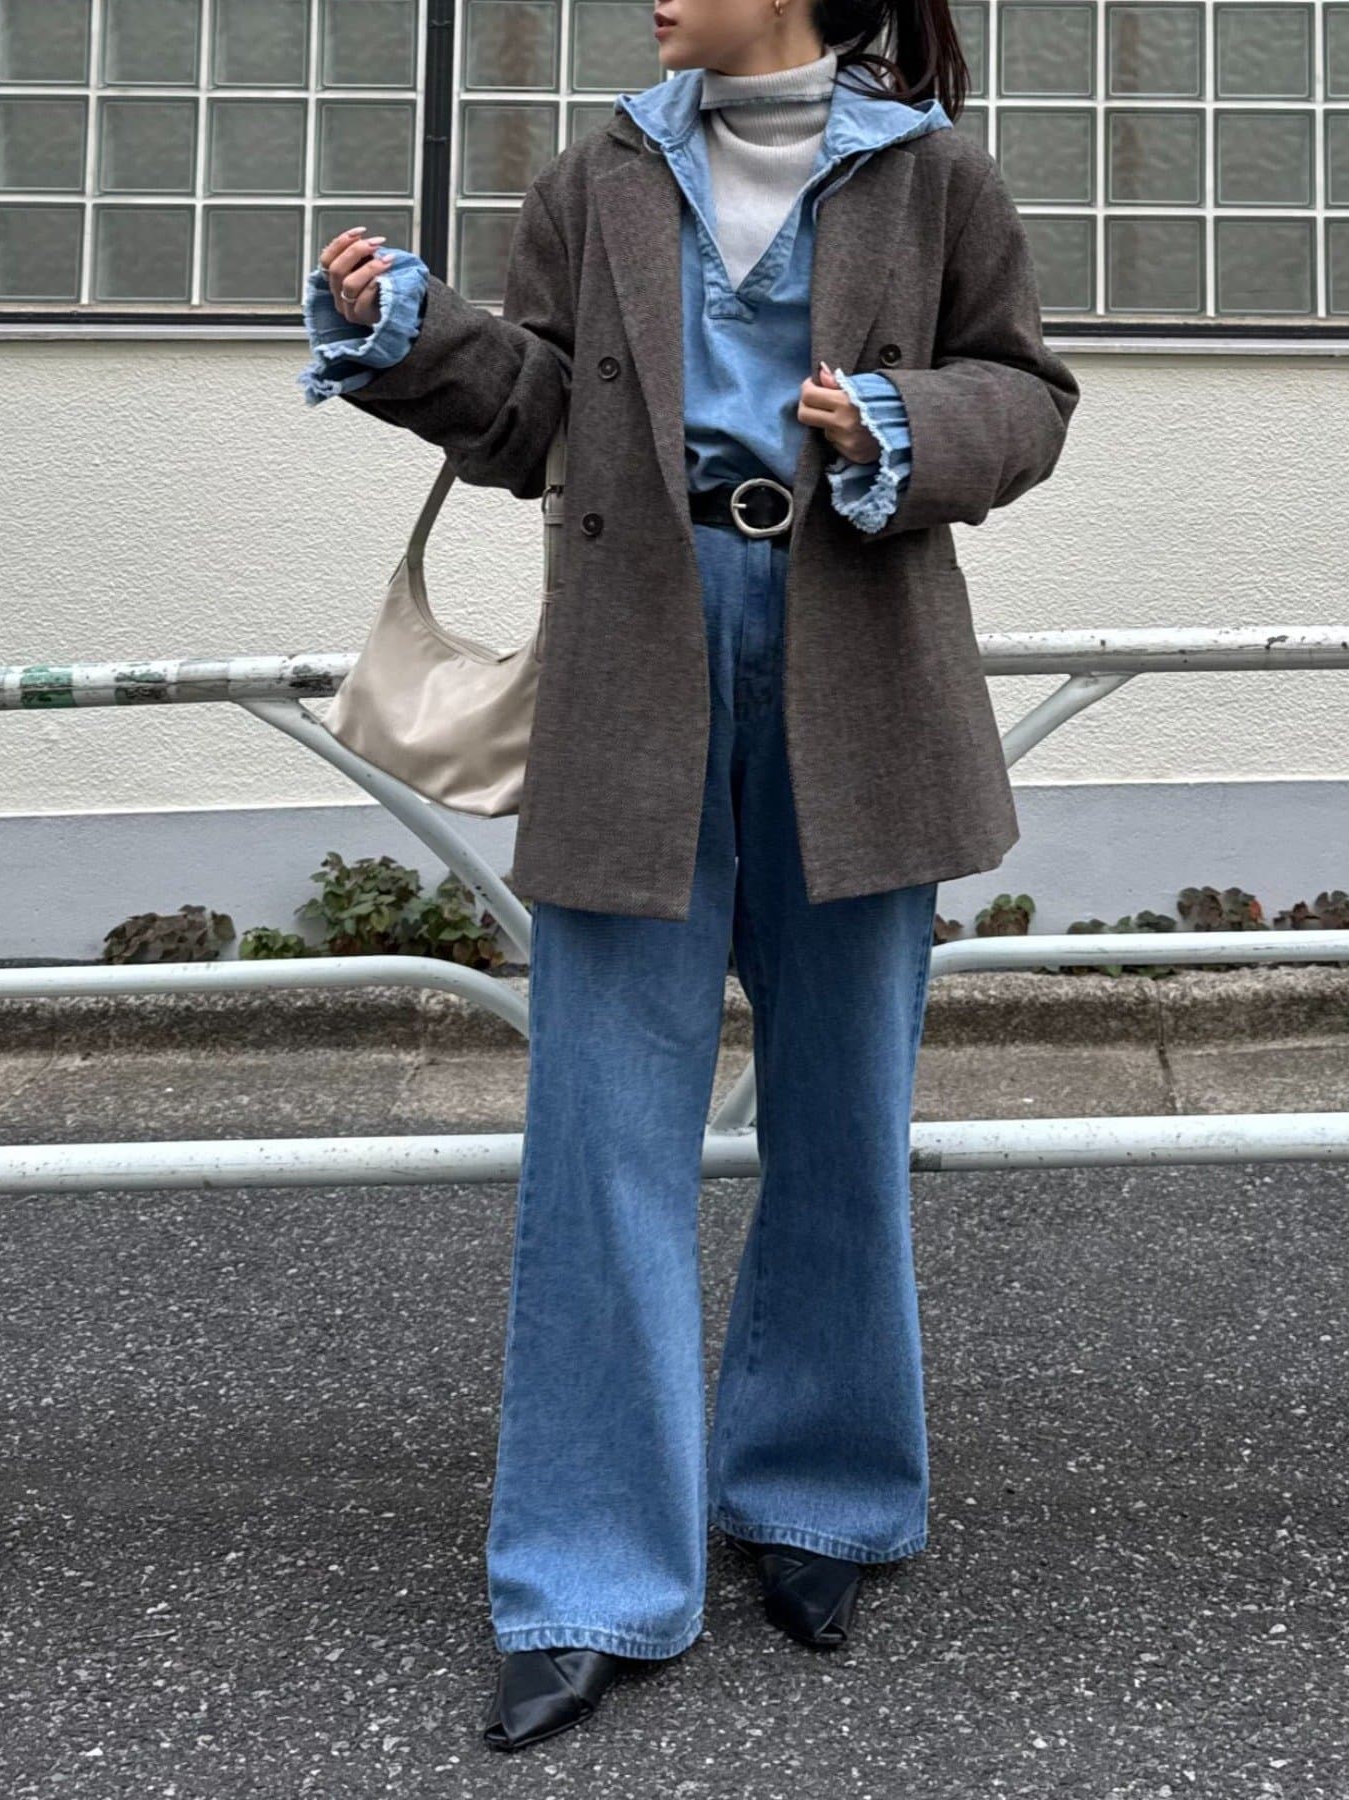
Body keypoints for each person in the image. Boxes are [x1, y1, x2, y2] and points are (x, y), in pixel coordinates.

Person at [298, 0, 1079, 1755]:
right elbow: (538, 420)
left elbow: (1031, 399)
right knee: (600, 1134)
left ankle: (820, 1500)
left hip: (860, 664)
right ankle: (586, 1575)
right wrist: (412, 335)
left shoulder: (935, 176)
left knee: (844, 1113)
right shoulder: (599, 175)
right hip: (633, 665)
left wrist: (901, 422)